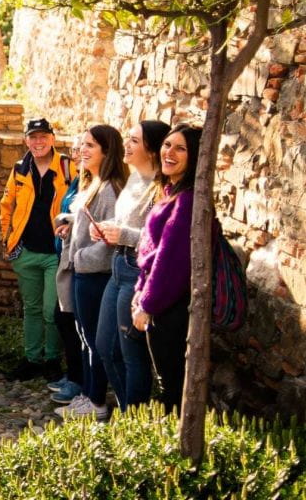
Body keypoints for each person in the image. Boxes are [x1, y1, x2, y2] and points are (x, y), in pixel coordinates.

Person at [92, 120, 169, 411]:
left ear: (151, 150)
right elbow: (127, 224)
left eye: (134, 141)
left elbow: (160, 240)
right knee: (104, 346)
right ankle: (128, 411)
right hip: (118, 264)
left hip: (138, 271)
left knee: (131, 353)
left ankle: (133, 420)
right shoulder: (134, 178)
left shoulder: (160, 188)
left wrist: (122, 234)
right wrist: (108, 228)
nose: (127, 144)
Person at [55, 125, 127, 421]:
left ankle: (96, 401)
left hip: (93, 274)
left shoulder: (110, 189)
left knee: (94, 341)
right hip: (82, 271)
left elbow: (110, 238)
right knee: (85, 338)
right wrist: (69, 223)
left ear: (107, 152)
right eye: (82, 145)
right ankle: (89, 394)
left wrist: (80, 257)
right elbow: (91, 223)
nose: (82, 150)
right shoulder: (93, 182)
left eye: (91, 146)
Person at [0, 118, 76, 383]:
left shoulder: (68, 167)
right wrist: (9, 240)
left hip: (56, 252)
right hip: (26, 251)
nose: (38, 142)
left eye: (43, 136)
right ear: (26, 140)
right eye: (33, 137)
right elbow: (6, 205)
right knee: (31, 308)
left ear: (53, 139)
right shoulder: (20, 168)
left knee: (51, 309)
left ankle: (52, 358)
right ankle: (32, 359)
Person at [133, 124, 202, 413]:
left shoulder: (187, 201)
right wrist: (139, 291)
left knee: (169, 386)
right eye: (167, 145)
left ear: (194, 155)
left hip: (170, 308)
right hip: (157, 300)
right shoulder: (170, 191)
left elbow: (169, 260)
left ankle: (173, 449)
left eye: (180, 148)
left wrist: (146, 303)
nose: (169, 152)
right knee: (165, 382)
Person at [50, 134, 85, 404]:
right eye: (74, 148)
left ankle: (79, 381)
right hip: (65, 256)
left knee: (71, 321)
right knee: (63, 317)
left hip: (80, 261)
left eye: (83, 147)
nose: (77, 153)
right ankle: (73, 374)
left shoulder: (97, 183)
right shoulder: (77, 178)